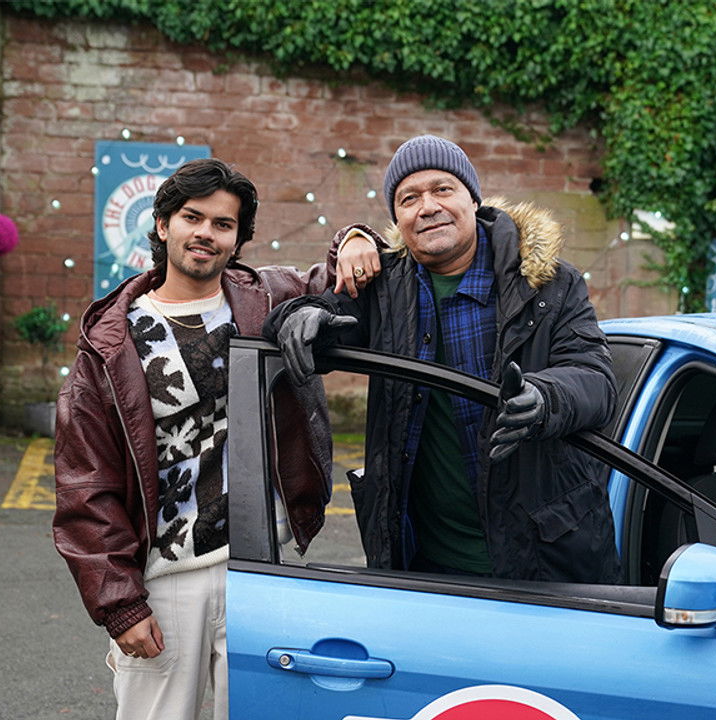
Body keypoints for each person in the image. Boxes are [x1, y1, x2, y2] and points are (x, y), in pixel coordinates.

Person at [52, 158, 378, 720]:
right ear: (162, 225)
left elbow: (340, 279)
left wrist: (355, 238)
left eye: (223, 224)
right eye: (192, 217)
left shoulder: (265, 299)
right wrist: (120, 604)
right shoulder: (111, 343)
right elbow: (85, 484)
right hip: (164, 580)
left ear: (237, 239)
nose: (206, 232)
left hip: (259, 567)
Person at [264, 135, 621, 584]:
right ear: (398, 220)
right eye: (409, 198)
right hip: (422, 564)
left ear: (473, 199)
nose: (427, 207)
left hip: (545, 559)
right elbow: (320, 314)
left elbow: (595, 379)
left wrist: (546, 398)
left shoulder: (548, 283)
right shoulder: (385, 287)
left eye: (442, 189)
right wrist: (301, 316)